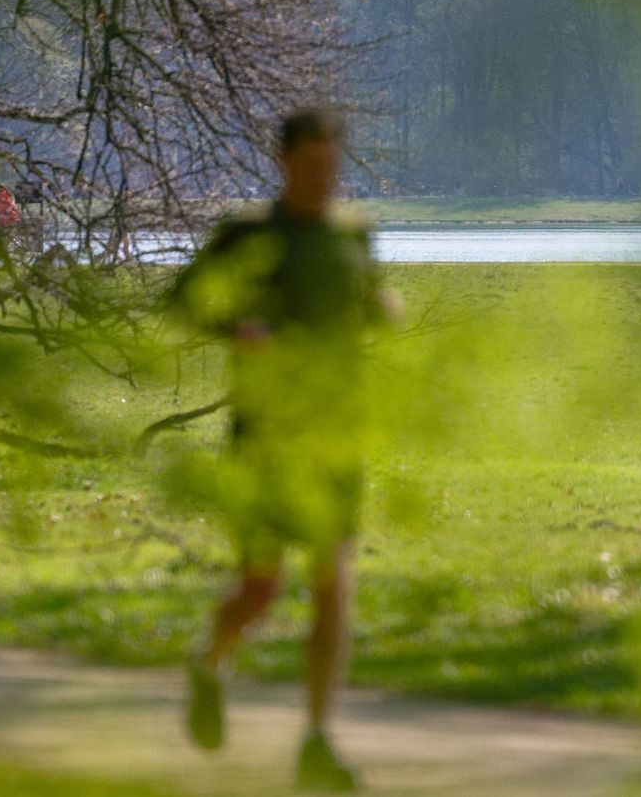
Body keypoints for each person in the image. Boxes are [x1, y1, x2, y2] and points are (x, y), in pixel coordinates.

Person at [169, 110, 398, 792]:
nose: (321, 180)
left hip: (335, 436)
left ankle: (317, 740)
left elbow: (363, 298)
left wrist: (383, 304)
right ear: (282, 161)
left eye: (331, 167)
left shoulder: (353, 232)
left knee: (333, 583)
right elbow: (184, 300)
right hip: (264, 438)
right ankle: (208, 665)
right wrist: (237, 325)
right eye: (309, 167)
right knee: (260, 590)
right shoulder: (247, 234)